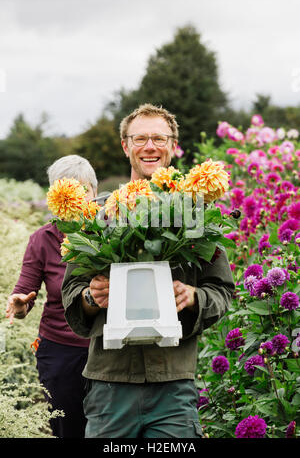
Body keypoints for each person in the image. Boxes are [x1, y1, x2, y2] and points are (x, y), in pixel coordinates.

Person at [61, 104, 235, 438]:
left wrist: (195, 296)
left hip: (173, 385)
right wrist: (91, 296)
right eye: (140, 138)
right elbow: (71, 291)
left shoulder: (195, 214)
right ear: (126, 146)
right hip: (110, 384)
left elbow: (222, 289)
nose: (150, 146)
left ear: (173, 146)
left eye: (159, 138)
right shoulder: (97, 215)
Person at [6, 155, 99, 439]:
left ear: (95, 193)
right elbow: (25, 291)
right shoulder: (43, 239)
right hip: (60, 351)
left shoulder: (112, 233)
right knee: (68, 428)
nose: (78, 199)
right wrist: (20, 305)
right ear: (55, 196)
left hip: (108, 349)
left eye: (85, 191)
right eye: (68, 191)